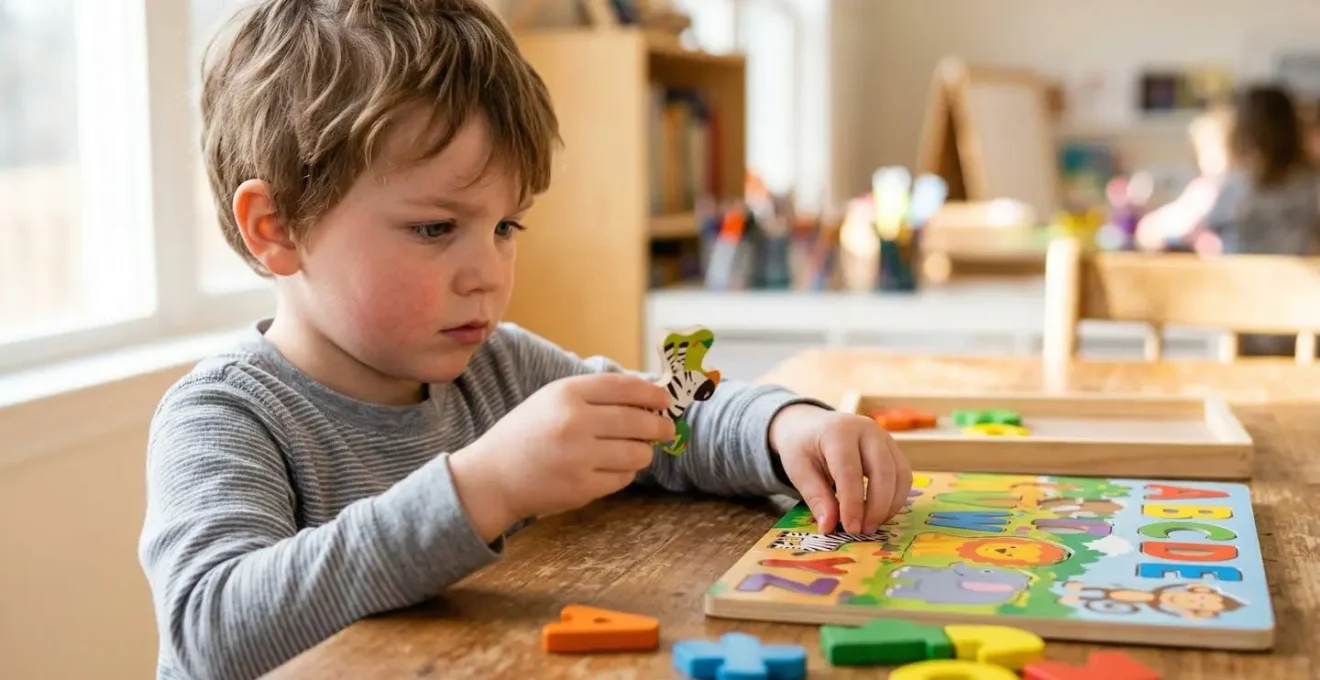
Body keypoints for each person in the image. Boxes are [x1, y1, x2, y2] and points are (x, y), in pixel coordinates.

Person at [136, 2, 912, 679]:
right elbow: (214, 634)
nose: (488, 273)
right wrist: (483, 488)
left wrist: (787, 426)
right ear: (277, 228)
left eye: (507, 226)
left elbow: (667, 412)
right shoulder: (222, 417)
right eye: (436, 227)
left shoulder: (498, 366)